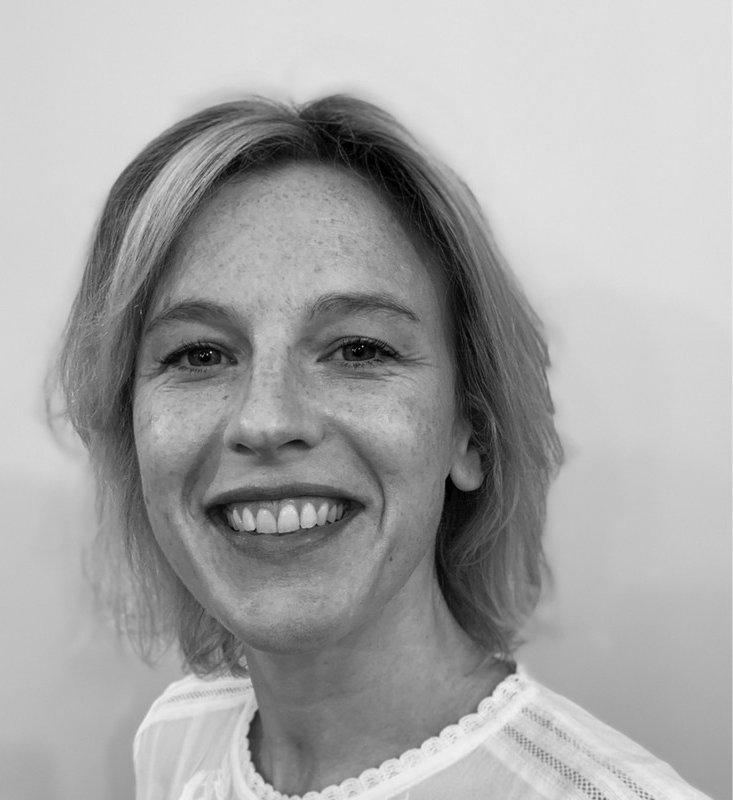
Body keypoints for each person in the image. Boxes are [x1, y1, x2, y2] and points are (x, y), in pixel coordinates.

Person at [52, 95, 710, 799]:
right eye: (198, 355)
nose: (266, 420)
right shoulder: (178, 740)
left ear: (471, 428)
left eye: (359, 349)